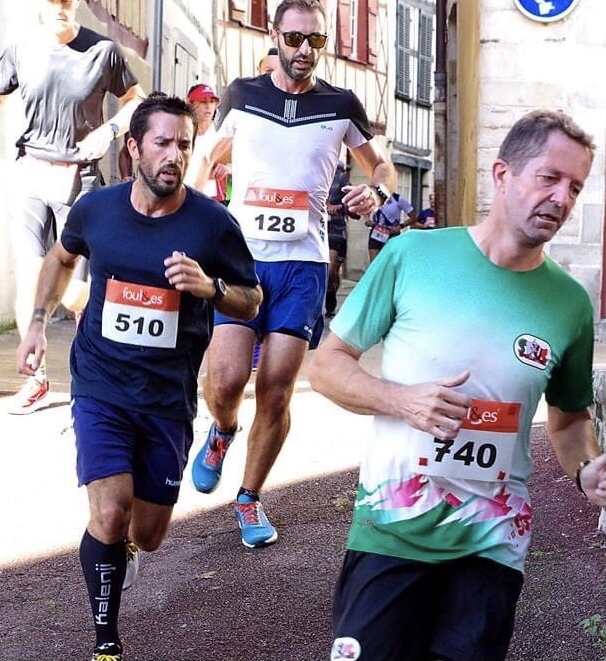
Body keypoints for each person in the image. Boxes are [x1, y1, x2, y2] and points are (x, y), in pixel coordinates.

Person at [308, 109, 606, 661]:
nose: (561, 198)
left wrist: (586, 468)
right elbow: (326, 367)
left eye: (575, 187)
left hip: (491, 542)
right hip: (391, 529)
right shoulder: (412, 256)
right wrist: (401, 400)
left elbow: (569, 420)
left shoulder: (569, 304)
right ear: (502, 174)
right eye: (549, 178)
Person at [16, 93, 262, 661]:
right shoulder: (96, 210)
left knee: (147, 534)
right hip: (100, 384)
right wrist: (36, 324)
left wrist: (211, 288)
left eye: (184, 145)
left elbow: (251, 300)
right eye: (162, 143)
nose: (174, 155)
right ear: (133, 148)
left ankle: (125, 548)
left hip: (166, 396)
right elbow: (61, 258)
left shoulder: (212, 225)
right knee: (109, 512)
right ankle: (107, 640)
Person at [189, 0, 395, 549]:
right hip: (241, 260)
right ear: (275, 35)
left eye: (316, 41)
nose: (305, 50)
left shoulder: (340, 104)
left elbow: (382, 165)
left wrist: (376, 191)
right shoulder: (242, 95)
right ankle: (222, 430)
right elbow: (205, 159)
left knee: (277, 390)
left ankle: (249, 496)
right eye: (295, 38)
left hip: (303, 265)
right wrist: (188, 213)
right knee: (225, 380)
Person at [0, 0, 145, 415]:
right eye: (52, 0)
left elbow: (136, 99)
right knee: (31, 279)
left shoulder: (102, 51)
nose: (60, 6)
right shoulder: (22, 47)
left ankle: (93, 371)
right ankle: (36, 379)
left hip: (79, 179)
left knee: (76, 288)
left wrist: (109, 131)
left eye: (67, 0)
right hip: (31, 171)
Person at [184, 84, 229, 203]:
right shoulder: (182, 132)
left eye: (212, 102)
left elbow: (243, 161)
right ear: (191, 104)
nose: (208, 106)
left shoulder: (223, 133)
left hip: (213, 200)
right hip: (183, 196)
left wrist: (227, 168)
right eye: (203, 102)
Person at [325, 160, 350, 317]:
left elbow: (351, 205)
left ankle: (330, 301)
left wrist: (338, 207)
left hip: (335, 231)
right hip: (313, 230)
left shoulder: (341, 179)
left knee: (331, 271)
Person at [365, 190, 414, 262]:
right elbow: (365, 210)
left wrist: (400, 226)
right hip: (376, 233)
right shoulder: (374, 197)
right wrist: (367, 219)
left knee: (390, 262)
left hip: (392, 233)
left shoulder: (398, 199)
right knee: (374, 263)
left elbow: (413, 217)